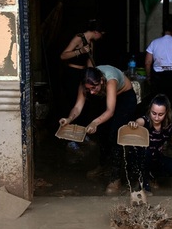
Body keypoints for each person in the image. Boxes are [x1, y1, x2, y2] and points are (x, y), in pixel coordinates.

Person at [58, 65, 137, 195]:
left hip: (124, 98)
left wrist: (94, 122)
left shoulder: (111, 81)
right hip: (105, 97)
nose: (92, 92)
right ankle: (104, 165)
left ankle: (115, 178)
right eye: (89, 90)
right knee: (103, 133)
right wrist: (68, 119)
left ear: (101, 80)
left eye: (94, 88)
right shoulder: (86, 83)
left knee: (115, 135)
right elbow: (77, 107)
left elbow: (110, 111)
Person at [59, 19, 105, 124]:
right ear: (96, 32)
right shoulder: (78, 38)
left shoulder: (91, 43)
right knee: (72, 101)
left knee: (85, 102)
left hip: (84, 74)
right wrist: (80, 51)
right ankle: (68, 132)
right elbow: (63, 55)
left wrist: (94, 73)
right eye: (101, 35)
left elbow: (89, 61)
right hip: (72, 73)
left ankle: (81, 131)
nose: (101, 37)